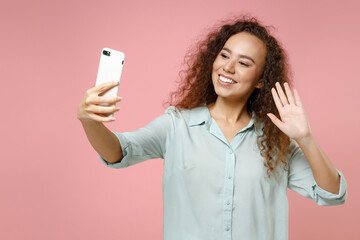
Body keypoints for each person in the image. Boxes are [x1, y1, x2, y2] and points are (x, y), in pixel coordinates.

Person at [77, 16, 347, 240]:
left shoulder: (275, 140)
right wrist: (90, 121)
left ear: (261, 81)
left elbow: (333, 194)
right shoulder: (177, 125)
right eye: (224, 55)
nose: (227, 67)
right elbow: (118, 152)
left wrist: (305, 138)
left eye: (243, 63)